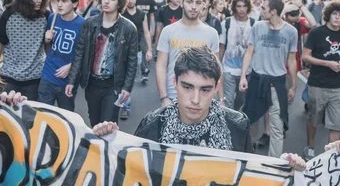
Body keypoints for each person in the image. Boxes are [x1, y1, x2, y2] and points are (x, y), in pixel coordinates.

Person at [93, 47, 307, 171]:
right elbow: (130, 174)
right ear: (174, 83)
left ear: (216, 88)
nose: (195, 99)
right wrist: (102, 141)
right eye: (187, 87)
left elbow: (249, 174)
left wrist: (285, 169)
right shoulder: (153, 124)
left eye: (205, 90)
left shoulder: (237, 125)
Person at [66, 0, 138, 126]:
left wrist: (127, 87)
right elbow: (79, 53)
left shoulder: (129, 28)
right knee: (94, 123)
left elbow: (132, 61)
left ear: (119, 3)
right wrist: (72, 80)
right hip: (92, 84)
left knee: (108, 125)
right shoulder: (90, 24)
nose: (106, 1)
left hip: (113, 86)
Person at [239, 0, 298, 158]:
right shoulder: (257, 27)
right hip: (257, 80)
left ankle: (274, 165)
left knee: (277, 125)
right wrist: (243, 76)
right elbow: (249, 52)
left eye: (263, 8)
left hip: (277, 83)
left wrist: (293, 85)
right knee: (250, 121)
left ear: (273, 11)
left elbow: (292, 59)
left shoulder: (291, 32)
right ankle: (248, 157)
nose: (260, 10)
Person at [301, 0, 340, 160]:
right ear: (328, 15)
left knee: (335, 124)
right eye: (334, 14)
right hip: (317, 85)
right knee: (314, 119)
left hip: (337, 87)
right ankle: (310, 146)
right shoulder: (317, 33)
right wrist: (327, 63)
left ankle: (330, 156)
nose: (337, 17)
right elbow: (305, 57)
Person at [156, 0, 221, 107]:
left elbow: (216, 68)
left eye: (198, 2)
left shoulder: (211, 33)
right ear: (182, 3)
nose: (193, 7)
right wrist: (164, 97)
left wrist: (219, 98)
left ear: (203, 5)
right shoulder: (168, 31)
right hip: (172, 96)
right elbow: (161, 65)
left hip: (201, 98)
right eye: (189, 2)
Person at [0, 0, 49, 101]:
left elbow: (48, 48)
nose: (39, 0)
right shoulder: (9, 14)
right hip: (9, 77)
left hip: (35, 79)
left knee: (29, 116)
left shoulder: (45, 15)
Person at [38, 0, 85, 111]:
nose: (59, 4)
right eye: (58, 0)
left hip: (67, 80)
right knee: (42, 113)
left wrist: (71, 66)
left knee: (65, 116)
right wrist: (46, 39)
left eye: (64, 1)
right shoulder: (52, 18)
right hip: (48, 74)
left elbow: (85, 52)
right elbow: (47, 45)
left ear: (74, 3)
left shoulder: (83, 24)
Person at [219, 0, 255, 110]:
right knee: (228, 99)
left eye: (244, 6)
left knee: (242, 99)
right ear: (234, 7)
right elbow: (222, 46)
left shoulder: (254, 24)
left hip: (247, 69)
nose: (241, 9)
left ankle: (236, 115)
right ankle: (229, 124)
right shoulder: (227, 23)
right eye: (238, 6)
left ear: (248, 8)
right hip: (228, 68)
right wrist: (218, 65)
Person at [122, 0, 153, 89]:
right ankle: (124, 99)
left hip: (137, 47)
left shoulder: (142, 15)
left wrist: (149, 50)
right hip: (122, 47)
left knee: (132, 75)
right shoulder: (121, 14)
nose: (130, 1)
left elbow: (146, 32)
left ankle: (126, 98)